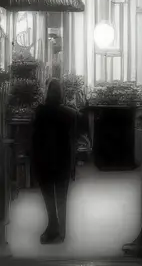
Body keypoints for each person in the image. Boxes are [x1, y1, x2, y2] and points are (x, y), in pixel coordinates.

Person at [31, 78, 77, 244]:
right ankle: (61, 232)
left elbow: (35, 138)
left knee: (49, 196)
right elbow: (75, 136)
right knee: (62, 198)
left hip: (44, 159)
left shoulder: (40, 112)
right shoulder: (69, 113)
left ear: (47, 92)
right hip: (63, 159)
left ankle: (53, 226)